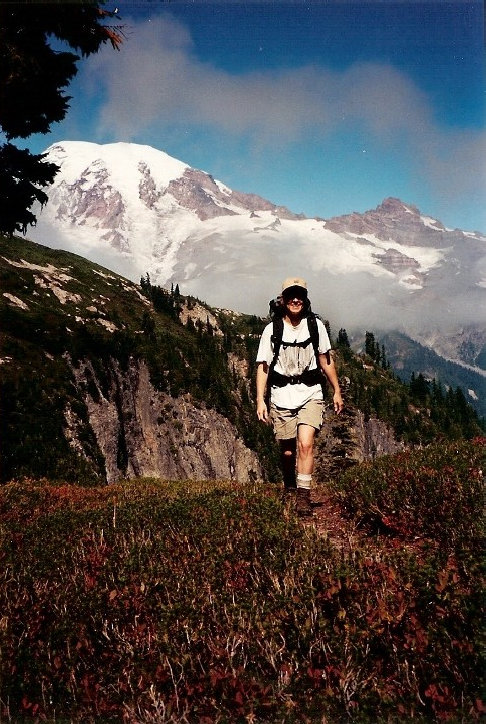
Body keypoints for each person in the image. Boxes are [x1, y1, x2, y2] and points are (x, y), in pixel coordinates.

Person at [256, 277, 343, 517]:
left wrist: (336, 390)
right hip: (281, 395)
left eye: (300, 295)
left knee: (306, 443)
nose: (296, 300)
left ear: (305, 299)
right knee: (287, 451)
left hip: (311, 393)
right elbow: (263, 366)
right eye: (291, 295)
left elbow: (326, 359)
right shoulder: (271, 330)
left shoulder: (316, 326)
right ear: (283, 300)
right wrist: (260, 400)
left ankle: (303, 497)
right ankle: (289, 486)